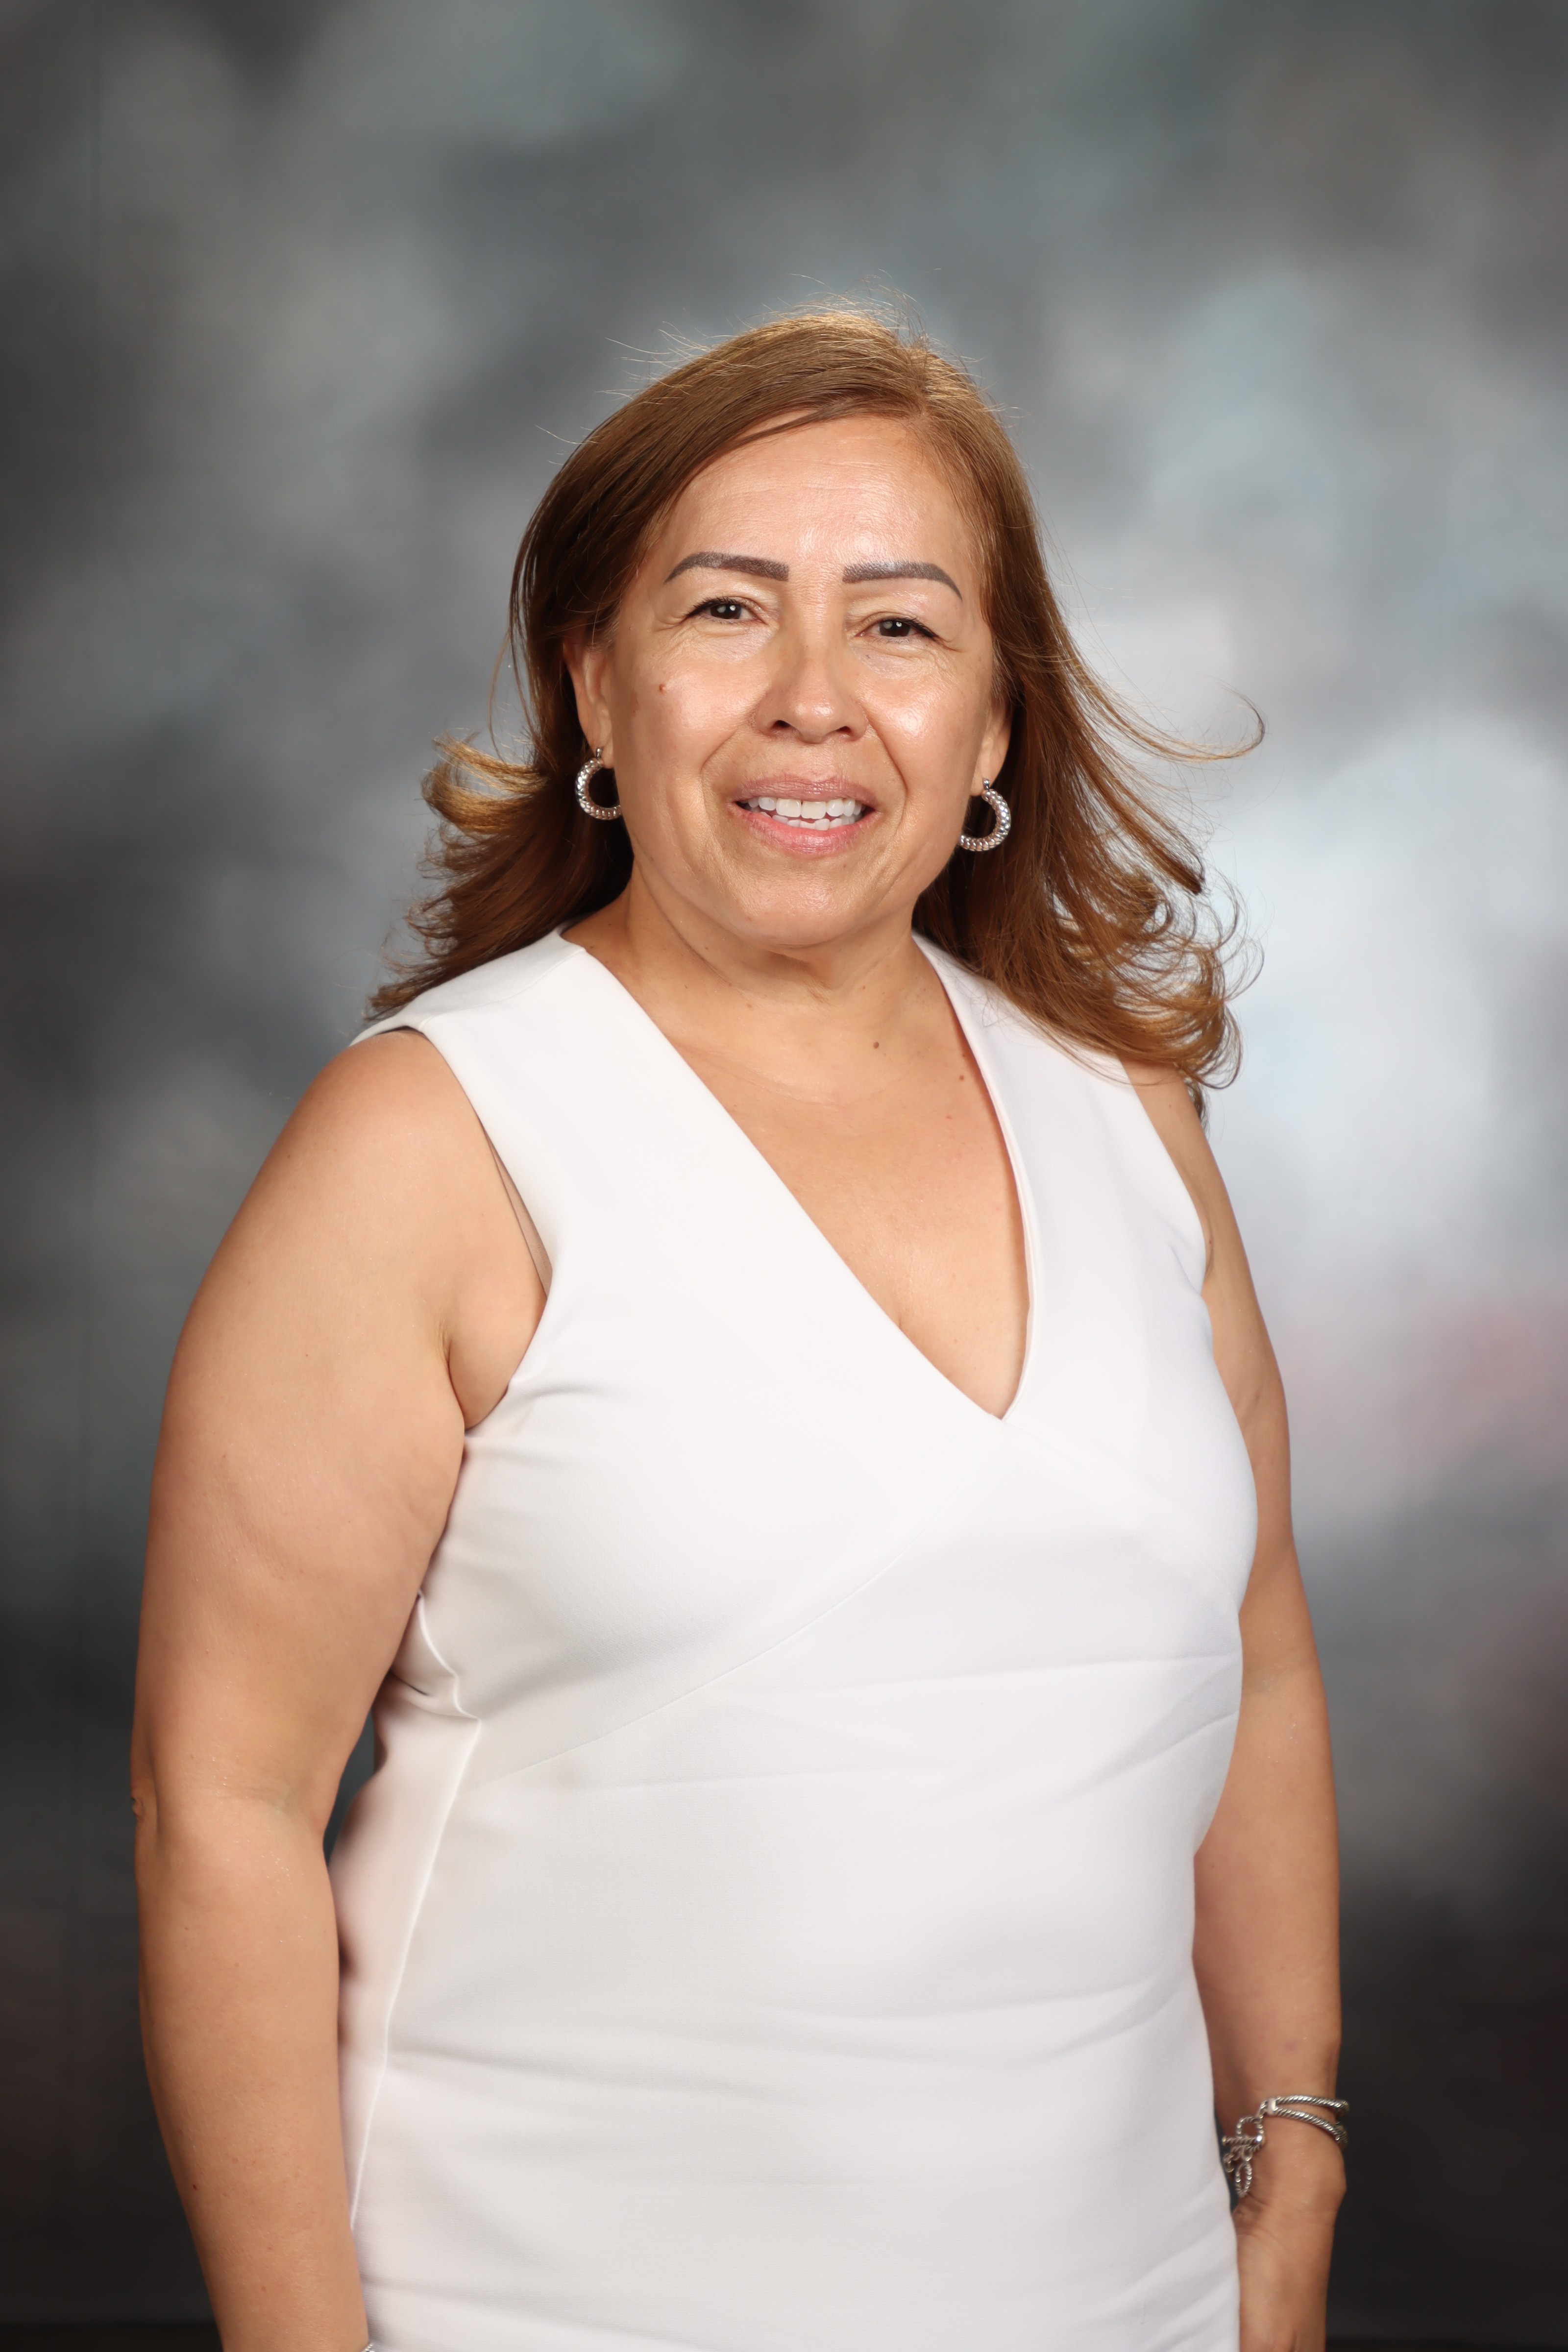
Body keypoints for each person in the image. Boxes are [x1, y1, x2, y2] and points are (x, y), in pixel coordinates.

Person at [133, 310, 1344, 2352]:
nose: (812, 701)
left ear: (994, 724)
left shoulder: (1127, 1123)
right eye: (724, 610)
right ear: (595, 689)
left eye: (898, 626)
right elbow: (221, 1812)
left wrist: (1292, 2160)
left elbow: (1261, 1650)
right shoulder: (430, 1144)